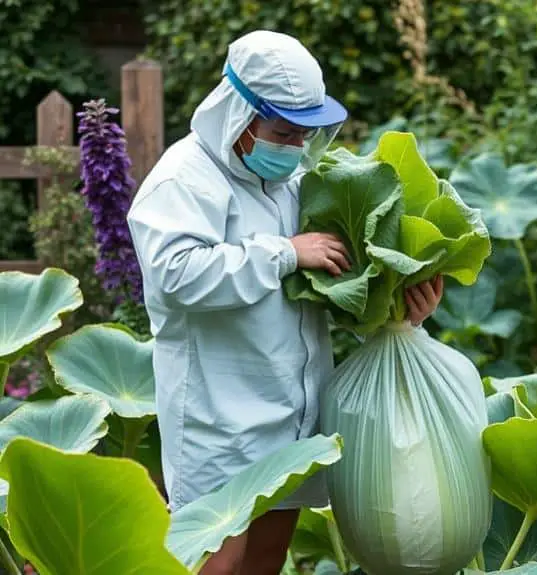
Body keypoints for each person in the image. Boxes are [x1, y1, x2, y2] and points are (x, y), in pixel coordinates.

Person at [126, 30, 444, 575]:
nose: (295, 147)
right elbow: (176, 275)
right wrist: (283, 254)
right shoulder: (183, 180)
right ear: (238, 115)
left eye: (304, 135)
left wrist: (401, 309)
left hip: (292, 411)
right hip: (217, 419)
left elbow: (329, 283)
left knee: (268, 560)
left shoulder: (293, 182)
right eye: (283, 132)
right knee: (218, 564)